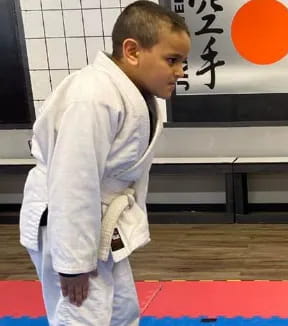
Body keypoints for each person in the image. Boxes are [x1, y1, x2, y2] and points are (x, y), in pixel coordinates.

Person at [19, 1, 190, 325]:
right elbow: (72, 181)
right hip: (65, 222)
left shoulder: (129, 93)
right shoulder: (93, 96)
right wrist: (73, 264)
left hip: (97, 223)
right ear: (133, 51)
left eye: (182, 61)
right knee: (82, 316)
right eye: (172, 60)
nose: (180, 71)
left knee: (121, 311)